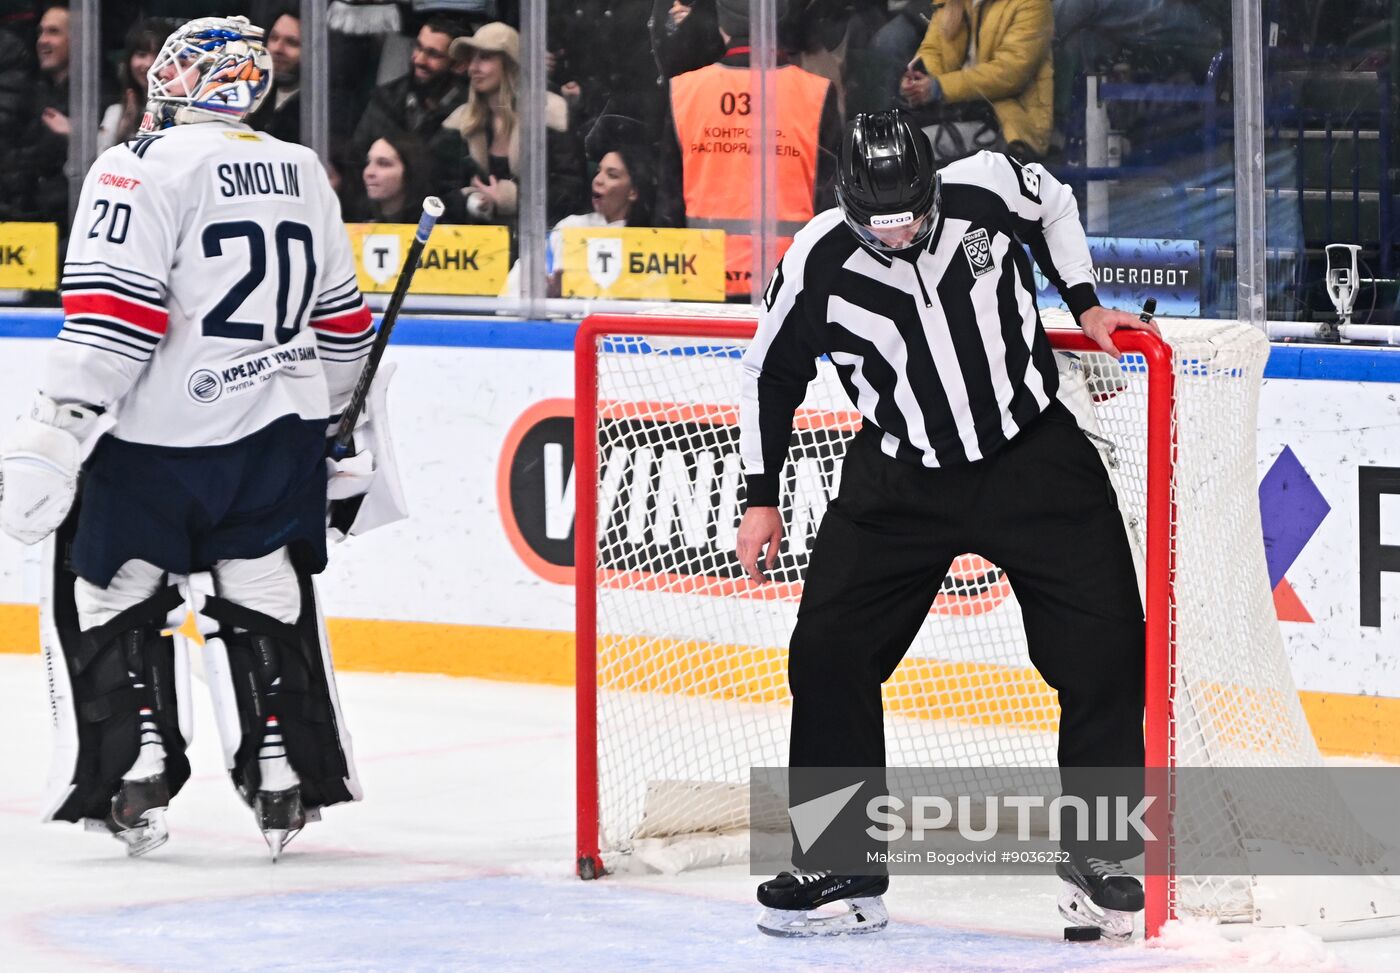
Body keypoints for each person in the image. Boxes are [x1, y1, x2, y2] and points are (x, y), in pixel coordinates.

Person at [739, 110, 1156, 939]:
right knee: (828, 651)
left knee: (1107, 643)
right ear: (848, 202)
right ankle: (841, 862)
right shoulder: (816, 259)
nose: (897, 238)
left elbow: (1057, 205)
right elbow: (768, 372)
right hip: (899, 479)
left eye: (911, 218)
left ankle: (1099, 857)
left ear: (933, 186)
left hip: (1031, 453)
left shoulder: (990, 186)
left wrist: (1086, 300)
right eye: (877, 224)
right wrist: (760, 493)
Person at [0, 15, 386, 861]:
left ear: (182, 82)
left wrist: (54, 429)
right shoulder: (299, 170)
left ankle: (135, 769)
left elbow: (115, 322)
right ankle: (281, 774)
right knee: (264, 594)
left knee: (107, 592)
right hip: (275, 442)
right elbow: (344, 324)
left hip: (155, 444)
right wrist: (335, 425)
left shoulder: (136, 168)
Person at [656, 0, 840, 301]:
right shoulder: (816, 94)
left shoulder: (684, 91)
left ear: (722, 27)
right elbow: (830, 202)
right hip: (791, 277)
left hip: (702, 277)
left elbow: (668, 205)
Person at [433, 21, 584, 228]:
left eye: (484, 57)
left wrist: (514, 199)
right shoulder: (458, 122)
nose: (473, 68)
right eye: (472, 58)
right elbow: (439, 189)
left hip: (540, 243)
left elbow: (572, 189)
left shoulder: (551, 114)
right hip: (477, 244)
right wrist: (471, 201)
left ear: (510, 63)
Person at [502, 134, 657, 297]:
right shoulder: (570, 228)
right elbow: (511, 295)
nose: (598, 180)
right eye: (599, 171)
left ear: (633, 192)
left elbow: (658, 307)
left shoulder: (646, 243)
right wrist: (547, 298)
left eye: (612, 175)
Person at [899, 0, 1054, 162]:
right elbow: (932, 49)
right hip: (954, 112)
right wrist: (918, 80)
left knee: (910, 153)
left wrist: (939, 87)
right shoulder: (953, 3)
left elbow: (1010, 73)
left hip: (1006, 123)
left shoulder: (1032, 3)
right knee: (892, 147)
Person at [351, 16, 470, 179]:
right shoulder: (385, 98)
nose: (419, 59)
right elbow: (356, 159)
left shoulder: (470, 113)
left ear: (459, 65)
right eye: (418, 47)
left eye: (433, 54)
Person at [97, 19, 167, 153]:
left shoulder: (183, 113)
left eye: (158, 54)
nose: (149, 63)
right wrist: (124, 128)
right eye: (141, 54)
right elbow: (98, 165)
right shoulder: (116, 113)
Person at [246, 8, 303, 144]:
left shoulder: (324, 106)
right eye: (274, 38)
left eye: (292, 43)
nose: (278, 49)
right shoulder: (254, 93)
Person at [354, 132, 435, 223]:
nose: (369, 172)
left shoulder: (433, 224)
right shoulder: (354, 217)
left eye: (383, 163)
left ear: (409, 171)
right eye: (368, 162)